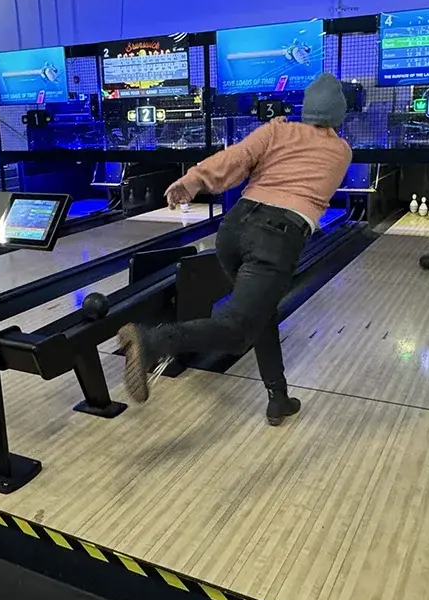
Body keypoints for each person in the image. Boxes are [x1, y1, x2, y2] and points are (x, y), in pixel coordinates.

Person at [118, 73, 353, 426]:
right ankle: (154, 340)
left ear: (306, 108)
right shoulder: (341, 151)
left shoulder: (277, 130)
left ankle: (278, 397)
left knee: (261, 313)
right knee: (237, 331)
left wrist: (192, 181)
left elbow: (236, 157)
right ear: (339, 114)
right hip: (277, 237)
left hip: (234, 228)